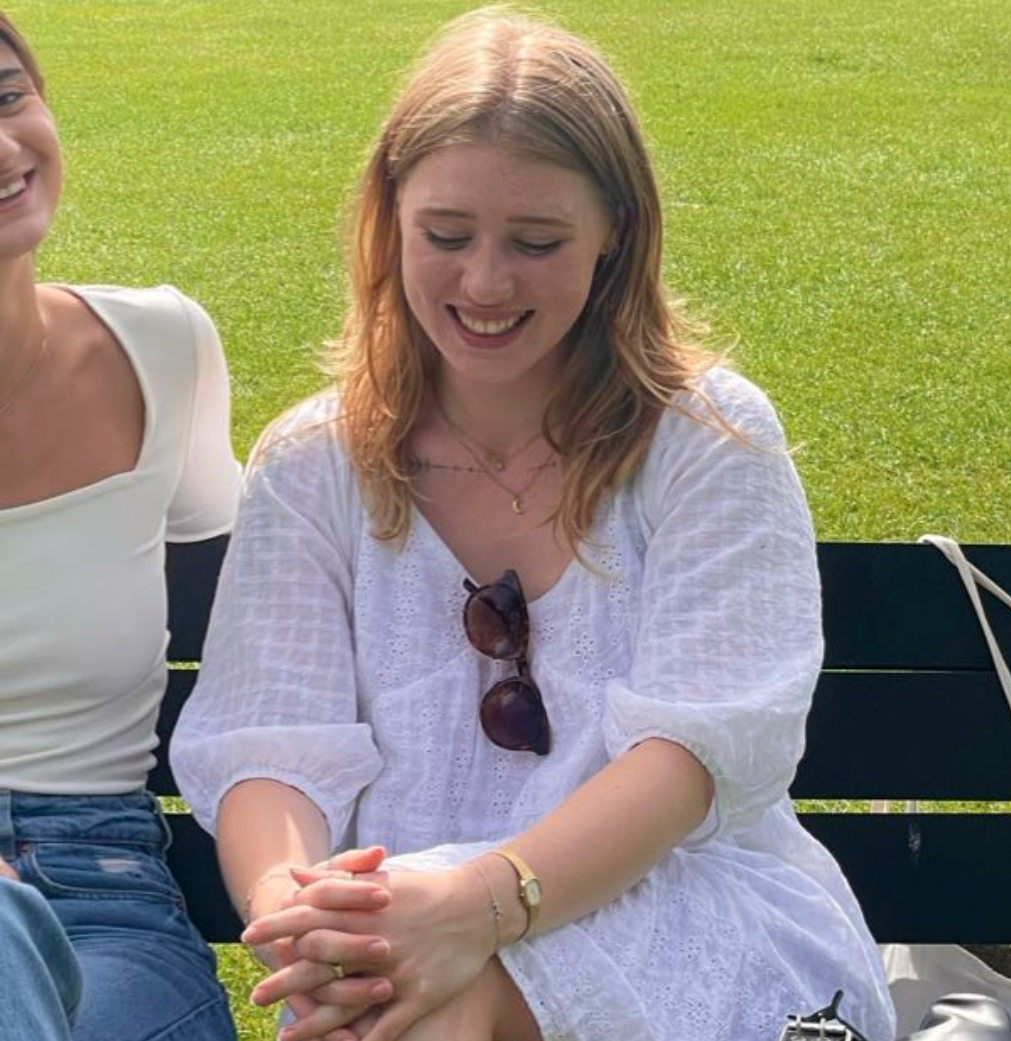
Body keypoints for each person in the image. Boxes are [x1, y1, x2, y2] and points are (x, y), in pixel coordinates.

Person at [171, 7, 896, 1041]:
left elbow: (694, 755)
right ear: (389, 223)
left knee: (423, 1011)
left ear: (614, 237)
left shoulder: (705, 440)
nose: (485, 283)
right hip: (408, 913)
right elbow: (271, 744)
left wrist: (474, 910)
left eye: (537, 241)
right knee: (390, 1000)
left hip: (677, 903)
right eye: (447, 235)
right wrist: (305, 916)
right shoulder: (314, 462)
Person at [0, 10, 240, 1041]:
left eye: (9, 99)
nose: (5, 148)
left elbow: (247, 604)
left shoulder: (162, 349)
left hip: (99, 886)